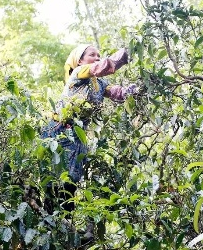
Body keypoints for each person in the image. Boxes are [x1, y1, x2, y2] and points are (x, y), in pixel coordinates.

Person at [41, 44, 137, 215]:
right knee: (55, 180)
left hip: (77, 135)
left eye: (99, 55)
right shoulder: (79, 73)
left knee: (72, 180)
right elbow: (103, 66)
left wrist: (138, 89)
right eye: (92, 54)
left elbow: (118, 93)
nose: (97, 58)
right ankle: (48, 220)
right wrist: (127, 51)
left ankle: (64, 225)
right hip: (58, 129)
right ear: (80, 61)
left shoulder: (99, 83)